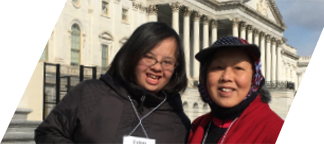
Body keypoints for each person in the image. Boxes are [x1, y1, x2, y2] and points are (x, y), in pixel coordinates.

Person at [35, 22, 190, 144]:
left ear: (177, 68)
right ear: (132, 56)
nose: (157, 67)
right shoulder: (90, 93)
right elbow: (48, 133)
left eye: (167, 62)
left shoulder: (179, 121)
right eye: (149, 57)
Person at [187, 37, 298, 144]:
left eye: (238, 68)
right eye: (218, 67)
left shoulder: (277, 134)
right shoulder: (197, 126)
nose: (226, 77)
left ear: (254, 77)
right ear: (205, 75)